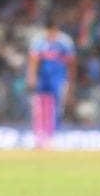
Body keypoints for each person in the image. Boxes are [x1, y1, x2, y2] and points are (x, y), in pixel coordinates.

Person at [27, 18, 76, 150]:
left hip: (58, 78)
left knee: (55, 107)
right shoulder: (39, 41)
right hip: (42, 78)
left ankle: (52, 137)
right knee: (40, 106)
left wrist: (71, 81)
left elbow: (72, 63)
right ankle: (39, 137)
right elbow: (33, 60)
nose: (51, 35)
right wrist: (31, 77)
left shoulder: (65, 41)